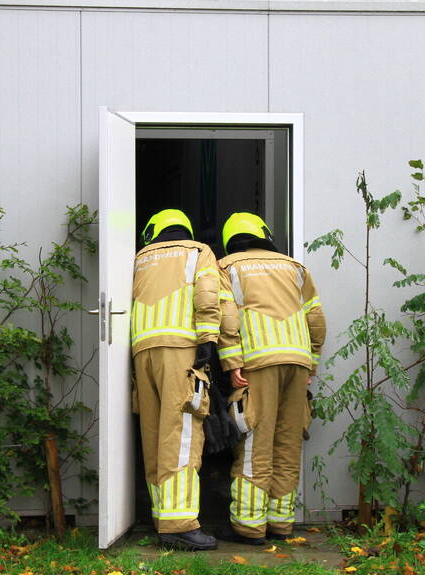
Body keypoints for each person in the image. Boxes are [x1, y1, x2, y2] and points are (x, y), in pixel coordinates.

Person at [214, 212, 326, 545]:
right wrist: (312, 365)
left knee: (254, 443)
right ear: (265, 234)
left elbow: (227, 317)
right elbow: (316, 320)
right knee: (288, 441)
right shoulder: (295, 268)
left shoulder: (226, 267)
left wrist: (232, 361)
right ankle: (281, 523)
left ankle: (249, 526)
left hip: (257, 364)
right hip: (297, 361)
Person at [131, 209, 220, 551]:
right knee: (181, 433)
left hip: (143, 351)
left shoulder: (140, 258)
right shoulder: (198, 251)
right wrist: (209, 341)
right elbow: (207, 294)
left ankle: (161, 516)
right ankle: (179, 525)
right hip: (181, 348)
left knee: (153, 435)